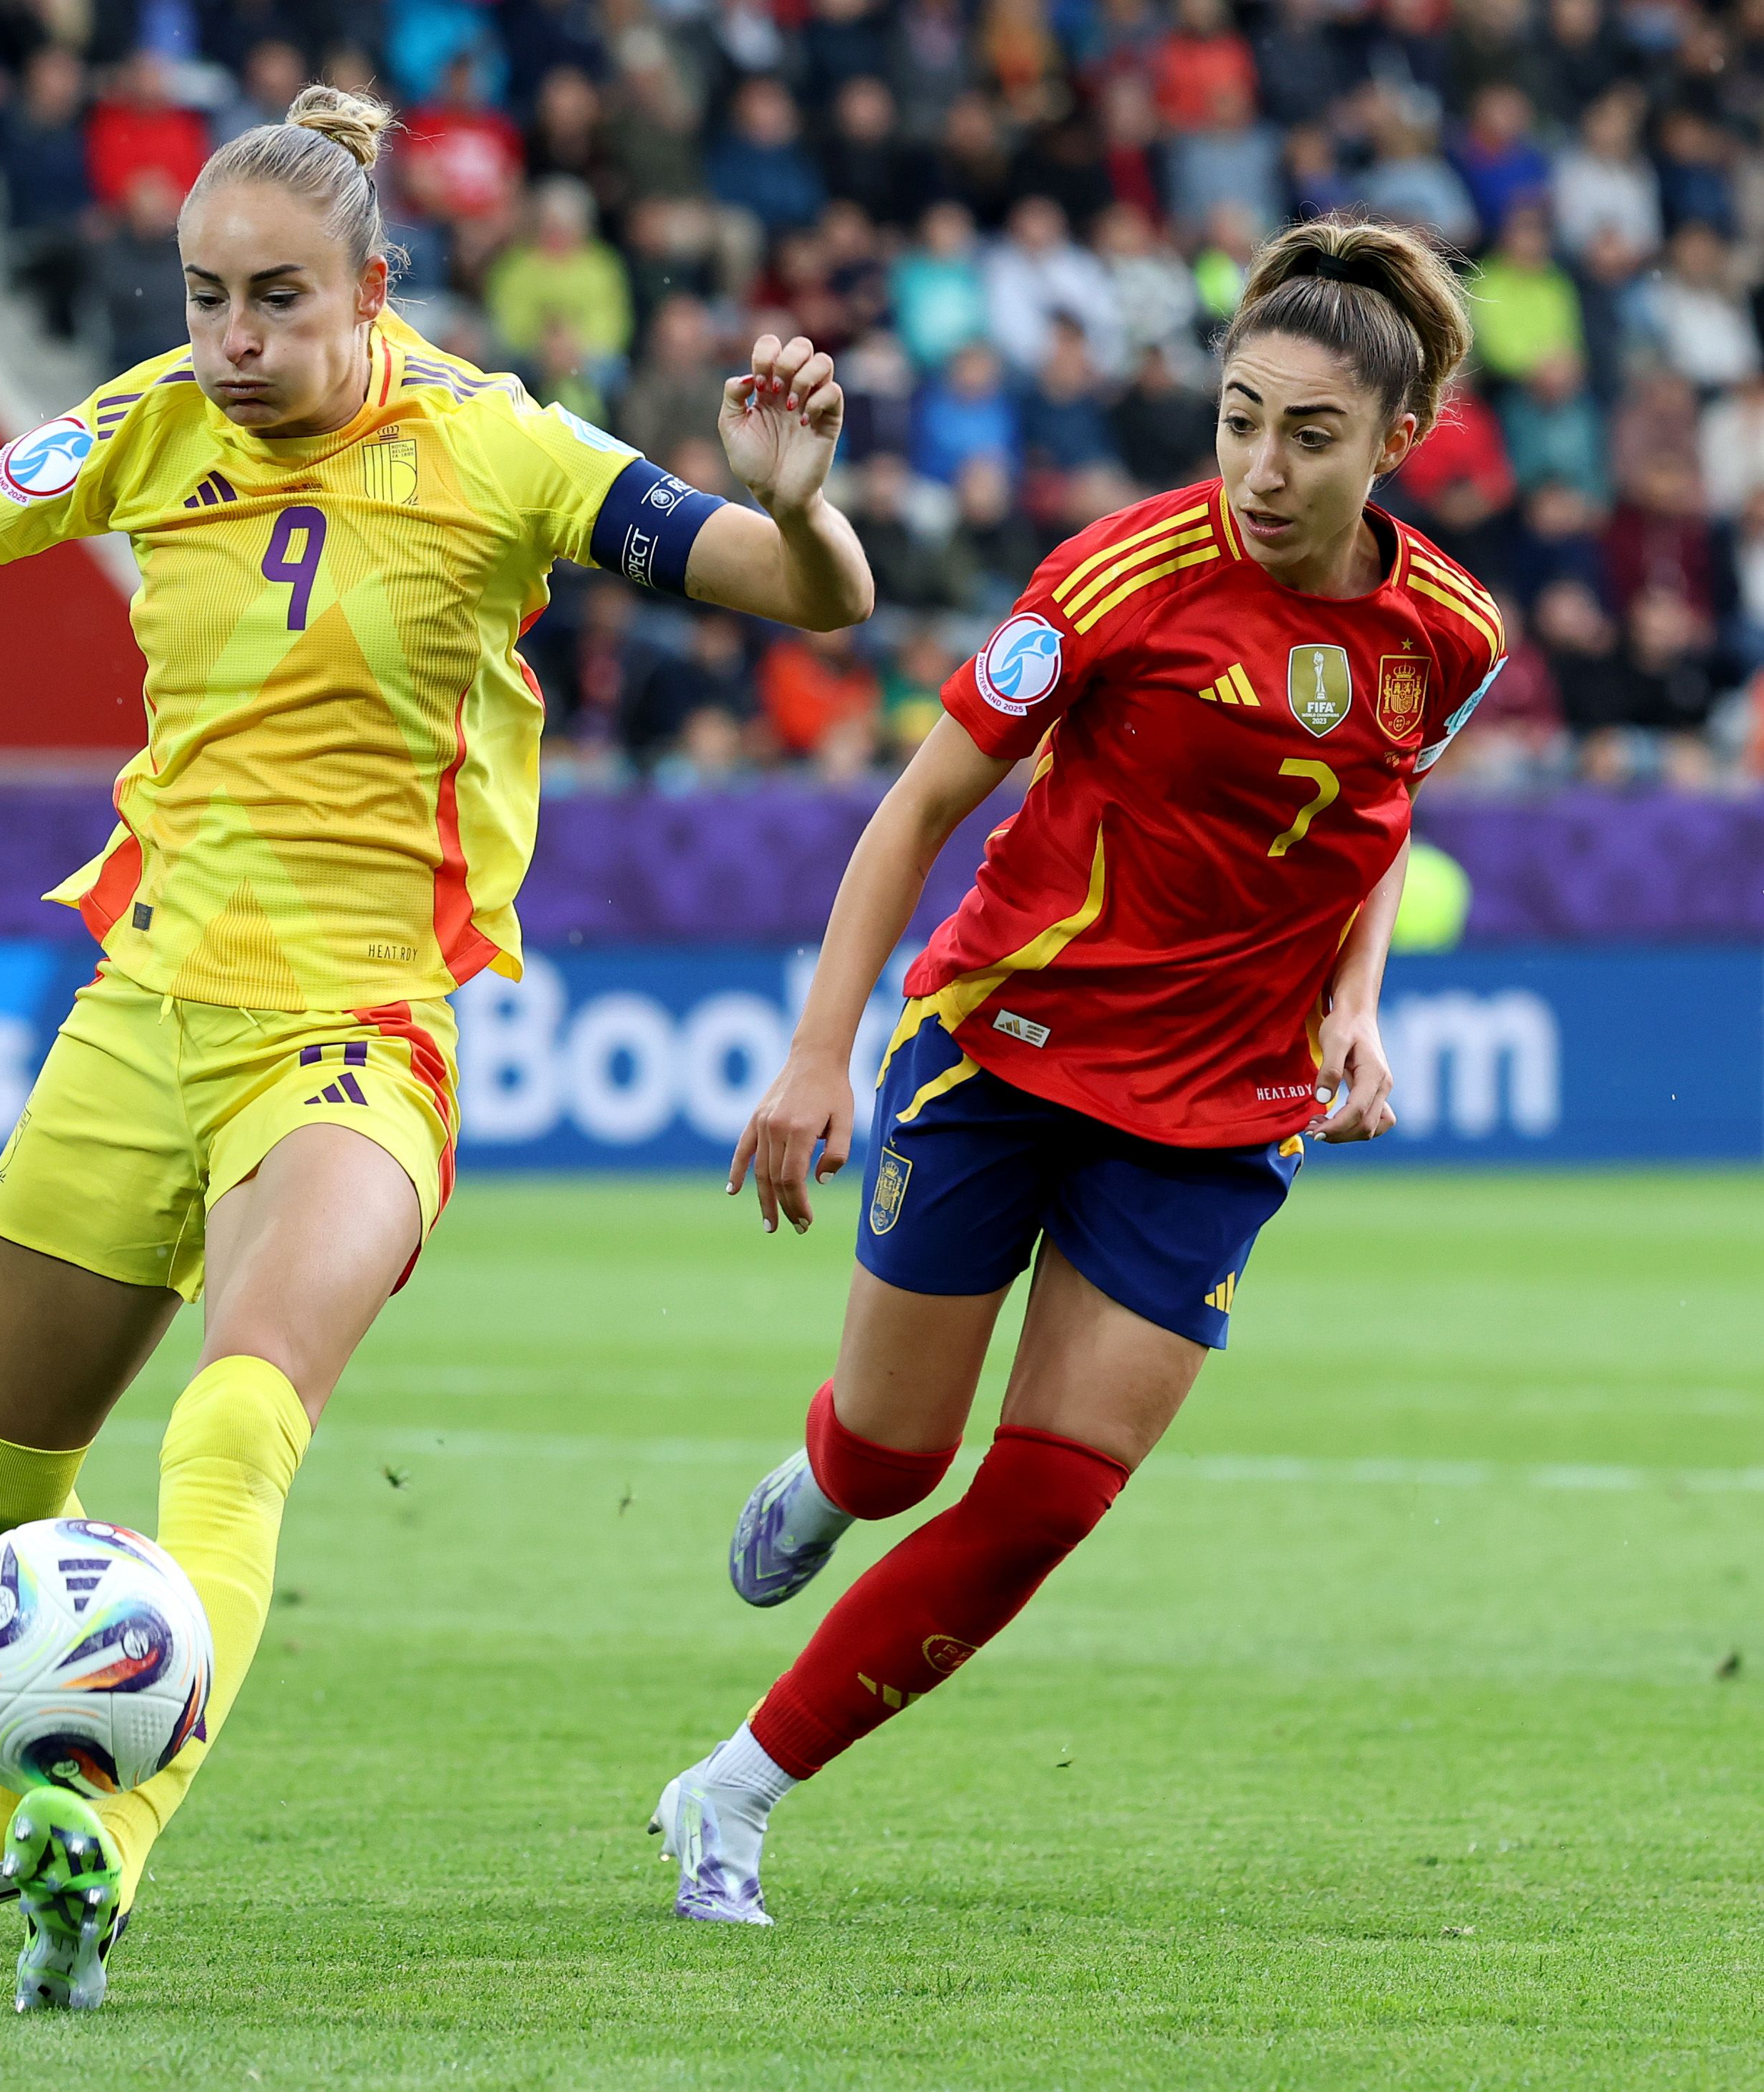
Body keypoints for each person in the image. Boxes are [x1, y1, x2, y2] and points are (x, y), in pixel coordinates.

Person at [0, 83, 874, 2010]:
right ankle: (14, 1792)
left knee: (236, 1413)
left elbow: (803, 594)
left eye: (275, 299)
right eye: (205, 294)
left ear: (374, 283)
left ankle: (96, 1842)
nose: (233, 338)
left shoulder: (502, 449)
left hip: (355, 1034)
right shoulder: (144, 424)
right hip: (139, 1016)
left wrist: (796, 504)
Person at [654, 215, 1501, 1924]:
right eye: (1238, 418)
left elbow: (1372, 816)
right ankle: (826, 1479)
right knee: (898, 1456)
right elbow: (915, 807)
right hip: (1008, 1050)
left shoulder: (1454, 634)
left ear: (1398, 443)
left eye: (1310, 434)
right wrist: (819, 1050)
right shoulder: (1119, 579)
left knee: (1047, 1491)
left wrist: (1353, 1003)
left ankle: (730, 1789)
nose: (1262, 467)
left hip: (1220, 1109)